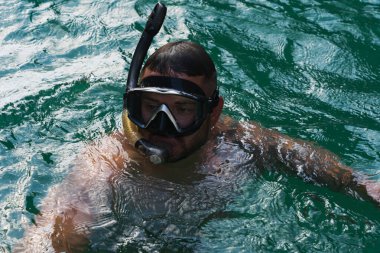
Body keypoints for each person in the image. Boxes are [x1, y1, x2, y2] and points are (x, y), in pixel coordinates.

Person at [16, 40, 379, 253]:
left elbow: (328, 170)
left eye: (183, 111)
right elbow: (60, 224)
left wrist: (366, 187)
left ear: (213, 112)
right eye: (149, 108)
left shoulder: (243, 143)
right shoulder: (108, 160)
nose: (161, 127)